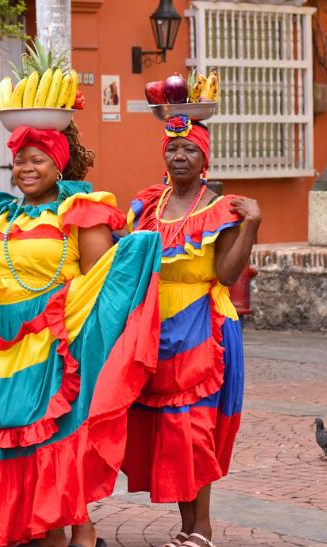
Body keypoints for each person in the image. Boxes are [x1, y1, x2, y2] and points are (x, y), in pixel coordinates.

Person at [0, 124, 162, 547]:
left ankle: (78, 531)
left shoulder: (81, 210)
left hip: (53, 343)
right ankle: (32, 525)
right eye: (19, 161)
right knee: (5, 431)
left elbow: (102, 283)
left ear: (58, 164)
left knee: (55, 432)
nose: (26, 169)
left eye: (38, 160)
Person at [121, 115, 261, 547]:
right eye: (172, 149)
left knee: (194, 428)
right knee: (169, 428)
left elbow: (225, 272)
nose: (179, 156)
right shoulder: (148, 206)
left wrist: (251, 225)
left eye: (190, 150)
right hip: (155, 328)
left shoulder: (221, 209)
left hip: (204, 325)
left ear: (205, 159)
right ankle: (186, 527)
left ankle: (202, 528)